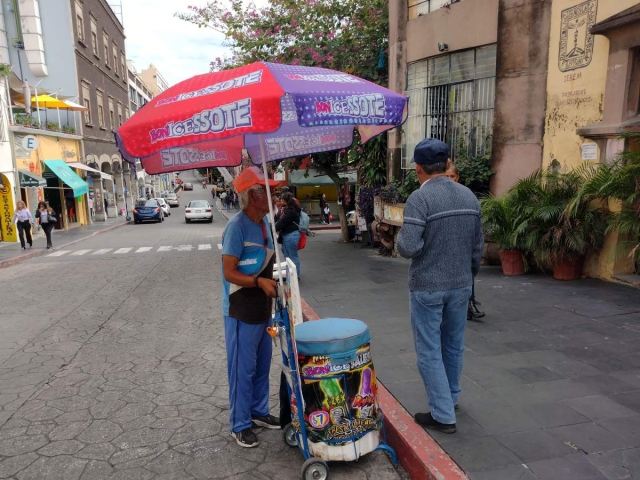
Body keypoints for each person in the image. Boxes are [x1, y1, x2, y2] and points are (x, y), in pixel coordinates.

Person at [397, 138, 484, 434]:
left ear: (417, 168)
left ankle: (443, 414)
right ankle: (452, 397)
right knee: (454, 344)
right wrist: (468, 276)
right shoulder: (469, 197)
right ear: (447, 164)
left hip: (427, 287)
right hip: (461, 284)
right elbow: (477, 248)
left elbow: (408, 247)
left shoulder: (419, 200)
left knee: (429, 349)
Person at [221, 166, 281, 448]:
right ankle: (240, 423)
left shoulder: (264, 224)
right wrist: (259, 282)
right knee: (242, 368)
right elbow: (229, 273)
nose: (273, 195)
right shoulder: (236, 227)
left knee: (261, 364)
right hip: (240, 309)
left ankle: (257, 411)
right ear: (252, 195)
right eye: (267, 190)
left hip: (263, 308)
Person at [446, 164, 486, 322]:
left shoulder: (466, 195)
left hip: (463, 240)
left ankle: (470, 303)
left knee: (468, 269)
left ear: (458, 177)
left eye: (452, 177)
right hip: (446, 241)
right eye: (446, 176)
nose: (450, 180)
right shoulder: (437, 195)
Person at [276, 192, 302, 279]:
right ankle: (290, 275)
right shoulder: (289, 209)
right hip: (288, 235)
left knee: (292, 256)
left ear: (285, 201)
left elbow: (281, 223)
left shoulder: (290, 211)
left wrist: (273, 228)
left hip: (290, 235)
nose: (280, 201)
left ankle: (296, 275)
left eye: (282, 199)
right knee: (288, 257)